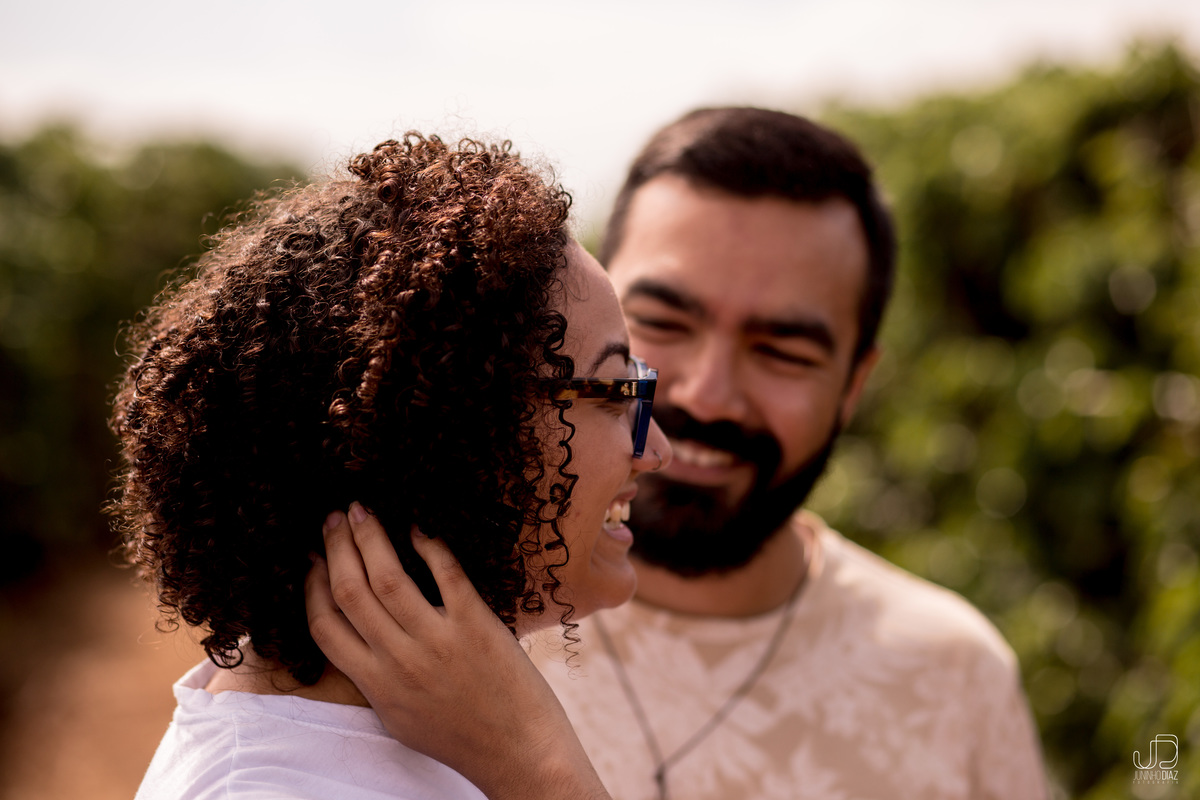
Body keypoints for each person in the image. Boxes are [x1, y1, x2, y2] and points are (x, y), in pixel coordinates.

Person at [313, 109, 1050, 800]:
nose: (706, 396)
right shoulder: (397, 625)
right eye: (662, 322)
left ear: (855, 384)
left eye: (783, 352)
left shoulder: (955, 678)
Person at [109, 132, 670, 800]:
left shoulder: (427, 733)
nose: (657, 449)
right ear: (459, 435)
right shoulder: (270, 791)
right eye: (615, 391)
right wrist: (539, 765)